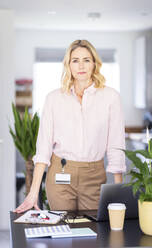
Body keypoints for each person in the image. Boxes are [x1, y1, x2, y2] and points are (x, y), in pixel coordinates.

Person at [14, 39, 126, 213]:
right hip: (60, 174)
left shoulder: (111, 97)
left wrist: (120, 192)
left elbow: (116, 146)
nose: (81, 66)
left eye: (86, 60)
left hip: (94, 176)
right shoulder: (54, 98)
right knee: (63, 233)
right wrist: (33, 192)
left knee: (94, 233)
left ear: (94, 63)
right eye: (75, 60)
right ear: (68, 64)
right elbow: (43, 148)